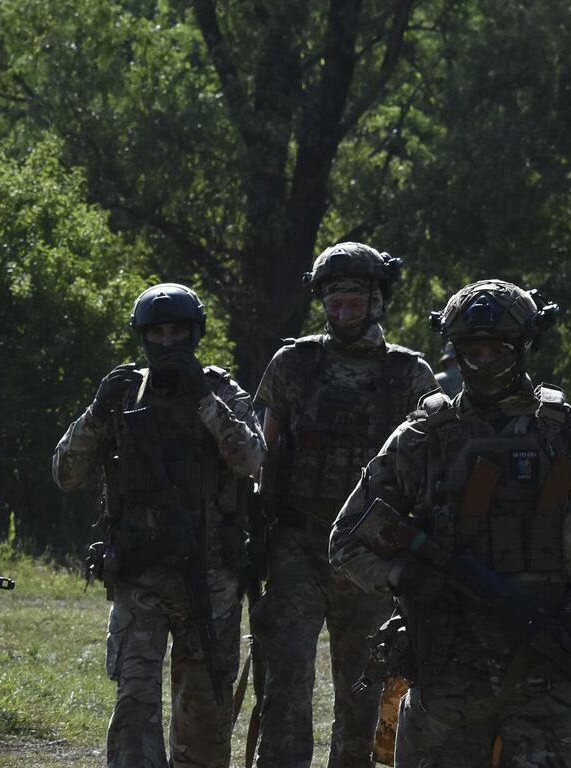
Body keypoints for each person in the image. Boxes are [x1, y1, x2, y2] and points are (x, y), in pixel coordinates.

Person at [329, 279, 571, 767]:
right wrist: (405, 577)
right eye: (472, 350)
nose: (484, 361)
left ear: (523, 347)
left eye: (498, 349)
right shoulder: (422, 438)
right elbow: (346, 540)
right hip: (445, 683)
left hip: (543, 681)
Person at [52, 283, 265, 768]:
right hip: (139, 575)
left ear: (194, 334)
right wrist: (96, 412)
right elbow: (66, 474)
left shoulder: (221, 389)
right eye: (158, 333)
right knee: (134, 702)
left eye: (178, 332)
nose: (168, 343)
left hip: (209, 579)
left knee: (205, 710)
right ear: (144, 338)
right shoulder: (124, 392)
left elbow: (252, 460)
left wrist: (206, 402)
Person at [250, 243, 436, 768]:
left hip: (369, 553)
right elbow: (266, 451)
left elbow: (428, 469)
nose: (344, 311)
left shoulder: (409, 374)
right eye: (335, 302)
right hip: (298, 544)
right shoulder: (294, 363)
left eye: (355, 300)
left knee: (363, 690)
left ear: (377, 301)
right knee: (286, 679)